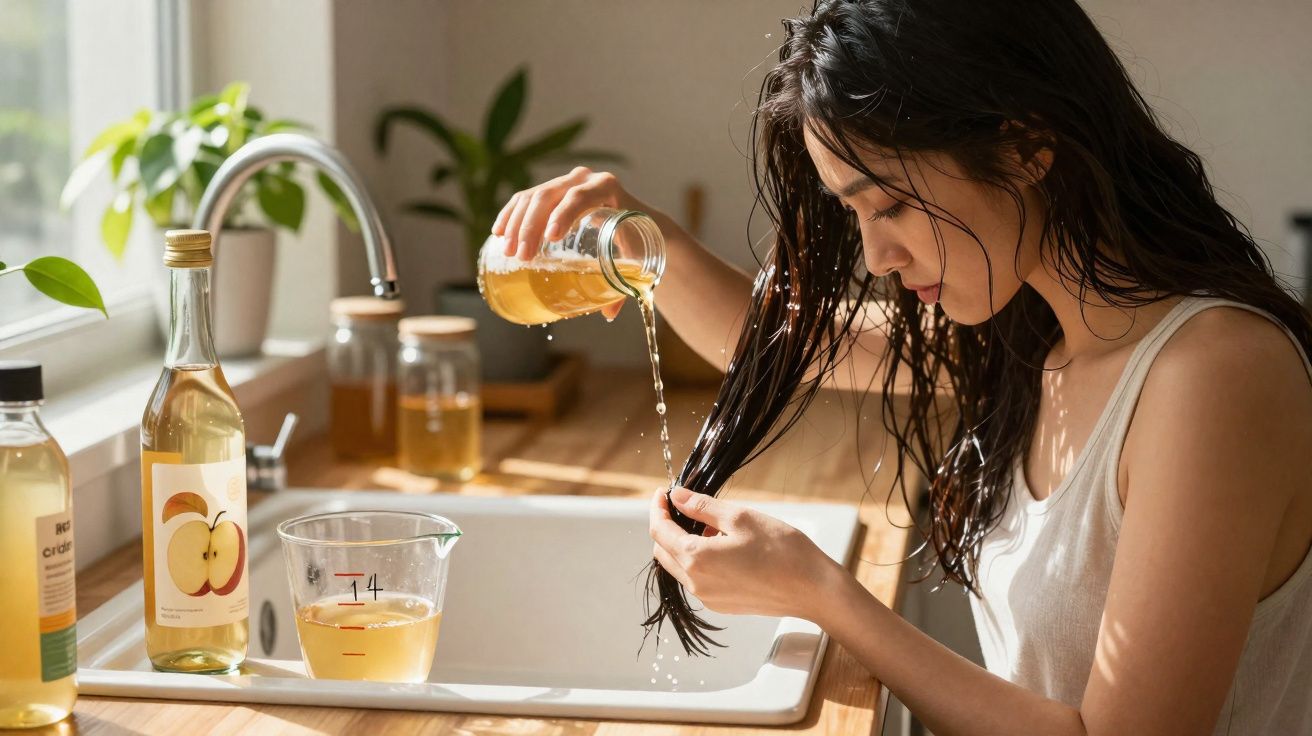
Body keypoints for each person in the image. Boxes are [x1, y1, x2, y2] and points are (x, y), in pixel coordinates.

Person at [490, 1, 1312, 733]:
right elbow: (778, 342)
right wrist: (648, 240)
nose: (876, 254)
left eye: (889, 203)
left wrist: (823, 593)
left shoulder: (1214, 376)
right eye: (853, 211)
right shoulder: (1038, 336)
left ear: (1025, 148)